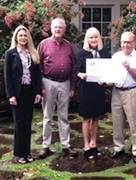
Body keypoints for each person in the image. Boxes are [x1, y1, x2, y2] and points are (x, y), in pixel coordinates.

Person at [38, 18, 77, 158]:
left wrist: (72, 85)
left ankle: (66, 145)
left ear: (64, 30)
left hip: (65, 84)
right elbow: (38, 66)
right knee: (47, 116)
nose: (58, 30)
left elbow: (73, 67)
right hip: (48, 83)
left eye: (60, 27)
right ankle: (45, 146)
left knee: (63, 116)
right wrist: (40, 86)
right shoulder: (43, 44)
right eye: (55, 27)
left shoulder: (68, 46)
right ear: (51, 28)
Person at [4, 25, 42, 164]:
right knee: (19, 122)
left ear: (28, 38)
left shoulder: (32, 53)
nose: (23, 38)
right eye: (20, 35)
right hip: (17, 93)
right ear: (16, 37)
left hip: (29, 91)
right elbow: (7, 76)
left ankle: (27, 152)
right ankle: (20, 154)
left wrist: (38, 92)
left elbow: (37, 75)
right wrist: (11, 95)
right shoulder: (11, 53)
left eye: (25, 35)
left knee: (27, 121)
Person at [110, 32, 136, 163]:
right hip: (116, 92)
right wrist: (108, 80)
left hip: (132, 92)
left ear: (134, 43)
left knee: (134, 123)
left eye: (128, 42)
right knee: (116, 122)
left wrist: (130, 69)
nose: (125, 44)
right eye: (123, 42)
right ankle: (118, 147)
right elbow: (112, 74)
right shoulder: (116, 56)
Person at [76, 27, 110, 159]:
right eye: (91, 37)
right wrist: (81, 75)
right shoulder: (82, 53)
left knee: (96, 117)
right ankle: (86, 145)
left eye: (96, 37)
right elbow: (76, 70)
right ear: (87, 39)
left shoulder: (105, 52)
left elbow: (108, 70)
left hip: (98, 89)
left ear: (99, 38)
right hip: (86, 89)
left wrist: (106, 79)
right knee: (87, 117)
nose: (94, 39)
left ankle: (93, 142)